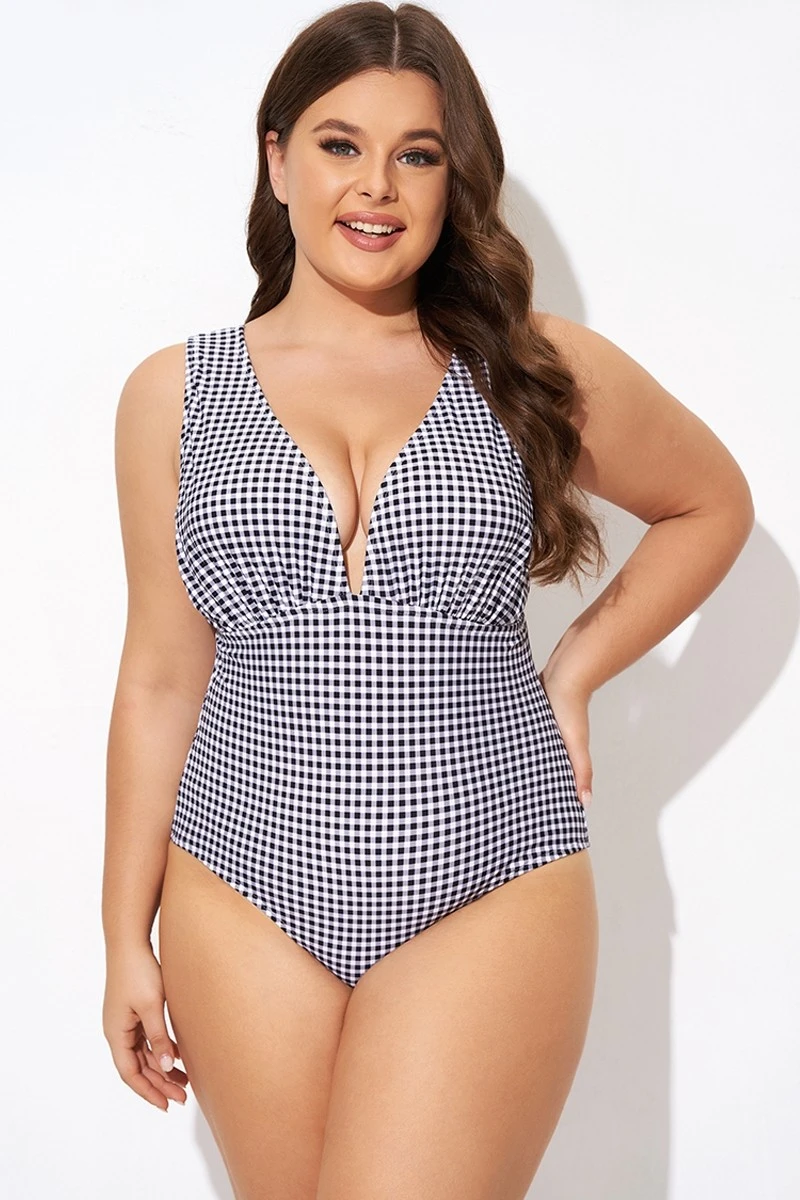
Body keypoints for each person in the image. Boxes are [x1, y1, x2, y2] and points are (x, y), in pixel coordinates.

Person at [101, 3, 754, 1196]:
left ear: (454, 178)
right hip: (239, 888)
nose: (377, 186)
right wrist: (120, 939)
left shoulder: (528, 368)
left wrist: (574, 673)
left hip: (492, 870)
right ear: (276, 159)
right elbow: (157, 677)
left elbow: (709, 505)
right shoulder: (174, 395)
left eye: (417, 153)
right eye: (339, 144)